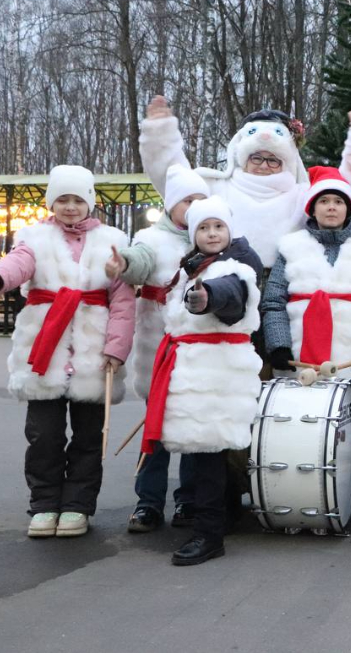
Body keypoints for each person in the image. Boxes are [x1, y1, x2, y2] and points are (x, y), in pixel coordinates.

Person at [0, 166, 134, 538]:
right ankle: (45, 504)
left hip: (94, 351)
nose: (70, 207)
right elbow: (19, 263)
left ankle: (78, 507)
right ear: (52, 202)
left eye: (77, 200)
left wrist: (116, 348)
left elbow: (123, 300)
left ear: (90, 202)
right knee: (44, 436)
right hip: (45, 351)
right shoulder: (34, 237)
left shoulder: (113, 240)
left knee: (87, 436)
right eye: (62, 199)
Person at [141, 196, 263, 565]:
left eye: (218, 226)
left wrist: (206, 298)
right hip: (192, 369)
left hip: (218, 374)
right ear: (193, 235)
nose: (212, 233)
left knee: (210, 454)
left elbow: (231, 296)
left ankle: (210, 535)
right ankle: (214, 521)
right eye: (204, 228)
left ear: (229, 230)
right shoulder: (189, 269)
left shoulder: (236, 268)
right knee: (201, 453)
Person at [138, 96, 351, 270]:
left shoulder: (303, 195)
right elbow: (175, 181)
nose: (264, 165)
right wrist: (161, 133)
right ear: (242, 156)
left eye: (273, 160)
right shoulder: (216, 190)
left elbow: (347, 192)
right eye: (256, 157)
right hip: (224, 284)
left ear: (286, 161)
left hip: (285, 291)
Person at [105, 164, 210, 533]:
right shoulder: (151, 238)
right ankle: (148, 503)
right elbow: (139, 262)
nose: (193, 207)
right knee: (156, 434)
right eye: (186, 201)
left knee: (195, 436)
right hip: (160, 352)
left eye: (200, 200)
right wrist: (124, 264)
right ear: (170, 206)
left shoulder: (212, 237)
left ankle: (188, 501)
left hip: (200, 354)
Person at [262, 166, 351, 400]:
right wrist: (279, 345)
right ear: (313, 208)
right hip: (299, 359)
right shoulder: (291, 248)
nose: (331, 207)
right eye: (324, 201)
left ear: (348, 209)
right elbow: (273, 301)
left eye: (338, 202)